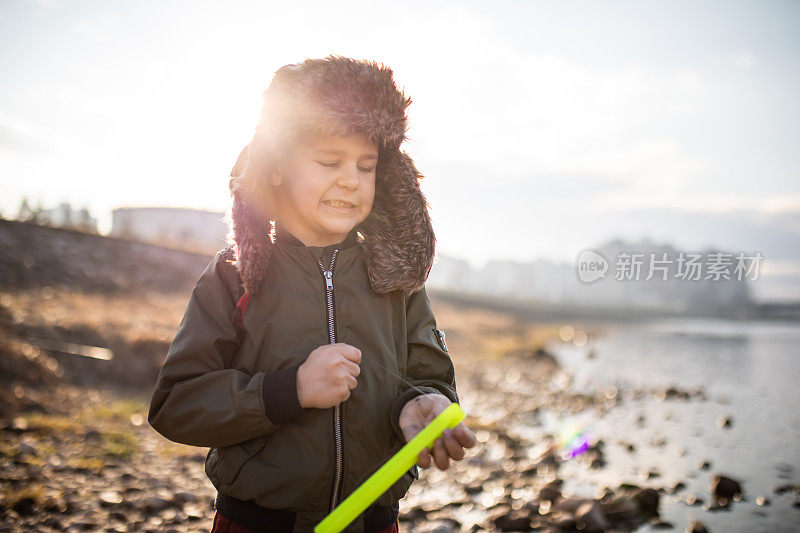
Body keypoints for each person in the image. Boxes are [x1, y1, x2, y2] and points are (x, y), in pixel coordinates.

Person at [147, 55, 476, 533]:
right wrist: (289, 390)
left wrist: (421, 404)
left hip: (373, 522)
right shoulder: (235, 276)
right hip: (257, 524)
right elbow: (176, 403)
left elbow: (430, 377)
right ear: (276, 167)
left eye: (367, 166)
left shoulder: (394, 278)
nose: (351, 179)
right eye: (329, 161)